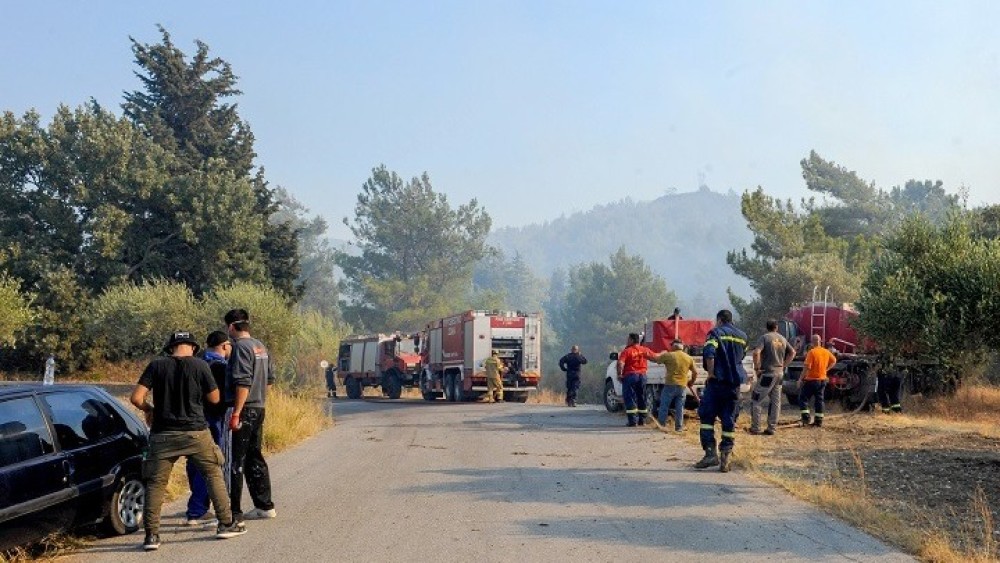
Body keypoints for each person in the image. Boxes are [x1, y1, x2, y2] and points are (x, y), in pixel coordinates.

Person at [130, 331, 246, 551]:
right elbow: (214, 398)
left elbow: (136, 398)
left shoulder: (156, 365)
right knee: (213, 474)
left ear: (171, 347)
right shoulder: (201, 366)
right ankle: (226, 524)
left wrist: (149, 409)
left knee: (156, 483)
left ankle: (152, 536)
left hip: (163, 434)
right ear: (192, 347)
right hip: (196, 432)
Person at [222, 309, 277, 521]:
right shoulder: (260, 346)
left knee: (235, 461)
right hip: (259, 408)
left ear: (230, 327)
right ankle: (265, 505)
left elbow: (242, 382)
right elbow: (269, 380)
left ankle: (233, 512)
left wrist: (236, 412)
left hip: (244, 410)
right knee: (255, 456)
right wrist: (260, 399)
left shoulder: (240, 348)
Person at [184, 331, 231, 527]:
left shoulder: (194, 362)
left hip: (190, 420)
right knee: (210, 464)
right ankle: (197, 510)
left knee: (194, 463)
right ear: (224, 345)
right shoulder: (219, 367)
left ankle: (197, 505)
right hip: (211, 420)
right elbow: (218, 398)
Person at [695, 310, 748, 472]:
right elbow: (741, 356)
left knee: (706, 416)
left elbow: (710, 354)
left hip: (718, 382)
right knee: (729, 419)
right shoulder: (743, 336)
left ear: (719, 320)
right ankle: (726, 455)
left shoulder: (715, 333)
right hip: (734, 384)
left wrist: (710, 374)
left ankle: (710, 454)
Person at [749, 320, 795, 435]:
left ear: (766, 327)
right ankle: (772, 428)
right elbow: (793, 352)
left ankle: (756, 428)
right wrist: (784, 365)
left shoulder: (765, 338)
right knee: (776, 401)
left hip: (768, 374)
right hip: (779, 374)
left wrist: (757, 368)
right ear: (777, 327)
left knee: (756, 399)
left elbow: (756, 353)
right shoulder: (783, 339)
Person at [652, 339, 698, 431]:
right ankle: (679, 427)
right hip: (682, 386)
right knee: (680, 407)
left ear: (674, 346)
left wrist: (658, 353)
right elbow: (695, 372)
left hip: (670, 384)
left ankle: (662, 425)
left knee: (664, 405)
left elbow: (655, 359)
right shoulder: (688, 358)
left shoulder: (668, 355)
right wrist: (691, 382)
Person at [616, 333, 657, 427]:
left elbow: (620, 363)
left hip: (630, 376)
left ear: (631, 340)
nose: (627, 341)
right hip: (642, 376)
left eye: (628, 339)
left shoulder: (627, 351)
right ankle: (642, 420)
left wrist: (619, 374)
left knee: (630, 398)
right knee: (641, 397)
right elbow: (654, 358)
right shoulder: (644, 350)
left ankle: (632, 421)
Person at [798, 334, 838, 427]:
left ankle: (806, 418)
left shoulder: (811, 352)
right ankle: (818, 421)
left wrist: (800, 379)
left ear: (812, 342)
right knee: (819, 400)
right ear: (820, 342)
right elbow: (834, 361)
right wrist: (826, 369)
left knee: (803, 398)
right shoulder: (826, 352)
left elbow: (806, 367)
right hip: (822, 380)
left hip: (812, 380)